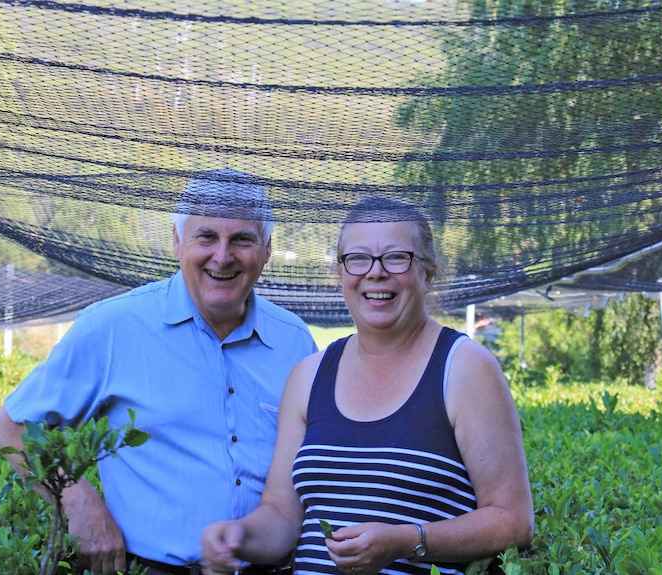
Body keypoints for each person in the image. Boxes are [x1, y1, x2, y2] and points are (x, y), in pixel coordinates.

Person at [0, 169, 318, 575]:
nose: (222, 256)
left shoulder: (295, 342)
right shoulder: (113, 327)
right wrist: (78, 501)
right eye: (206, 237)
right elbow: (12, 427)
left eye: (242, 240)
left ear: (266, 250)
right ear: (177, 242)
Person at [201, 198, 534, 575]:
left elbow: (514, 522)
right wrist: (238, 536)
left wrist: (407, 541)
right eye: (358, 259)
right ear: (340, 273)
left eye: (396, 257)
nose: (376, 273)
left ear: (427, 273)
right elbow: (281, 516)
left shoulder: (464, 368)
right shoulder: (310, 376)